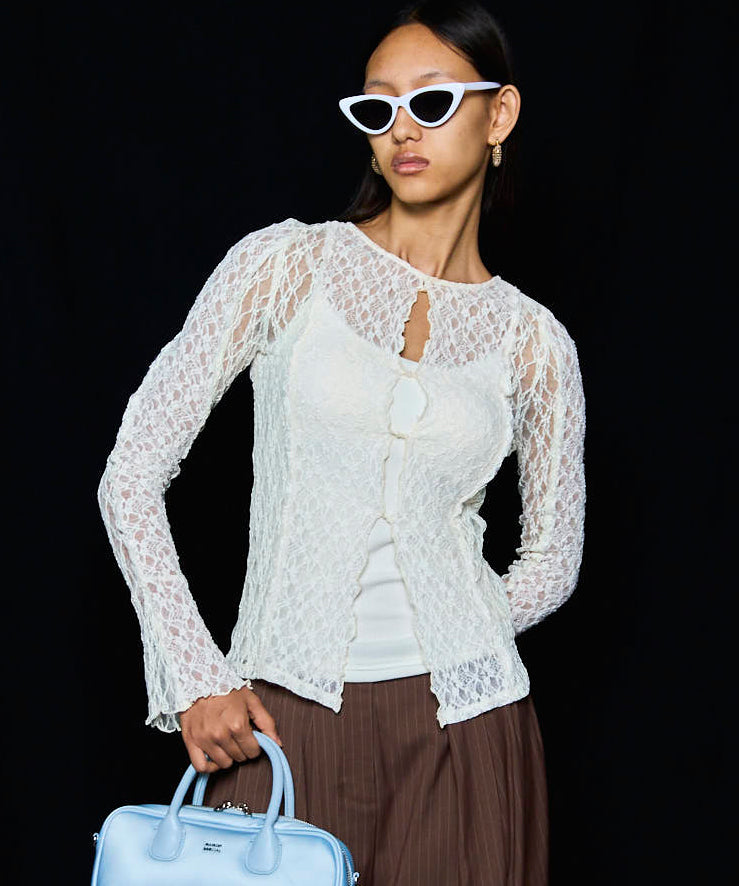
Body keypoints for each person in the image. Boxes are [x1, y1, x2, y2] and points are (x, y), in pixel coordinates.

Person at [96, 1, 586, 883]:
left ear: (499, 114)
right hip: (283, 718)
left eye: (431, 102)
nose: (402, 129)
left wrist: (455, 621)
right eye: (376, 107)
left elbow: (552, 559)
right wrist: (197, 675)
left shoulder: (533, 342)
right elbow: (129, 474)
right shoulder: (287, 266)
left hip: (468, 726)